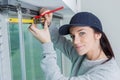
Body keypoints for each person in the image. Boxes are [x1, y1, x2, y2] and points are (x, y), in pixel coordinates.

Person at [28, 8, 120, 80]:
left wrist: (46, 43)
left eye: (82, 33)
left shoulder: (107, 75)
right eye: (72, 36)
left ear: (98, 35)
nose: (75, 41)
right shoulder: (83, 55)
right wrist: (48, 22)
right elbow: (59, 40)